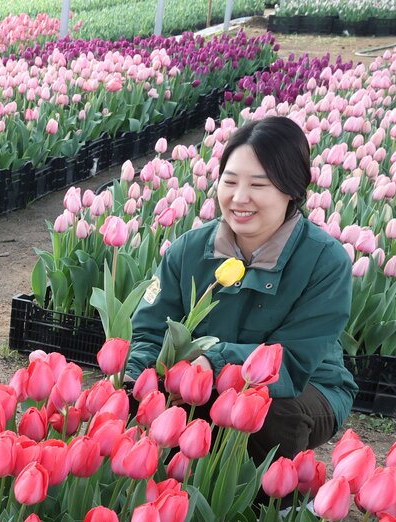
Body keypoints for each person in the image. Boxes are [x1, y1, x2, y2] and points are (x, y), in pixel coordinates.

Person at [124, 115, 356, 462]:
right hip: (200, 375)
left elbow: (291, 362)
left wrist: (214, 363)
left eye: (259, 186)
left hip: (307, 386)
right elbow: (150, 330)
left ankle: (268, 505)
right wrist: (136, 379)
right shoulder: (189, 249)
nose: (239, 198)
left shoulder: (324, 261)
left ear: (293, 188)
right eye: (229, 182)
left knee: (268, 414)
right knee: (137, 402)